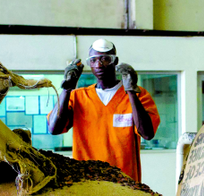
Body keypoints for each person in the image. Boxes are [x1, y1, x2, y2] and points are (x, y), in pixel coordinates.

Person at [47, 39, 160, 183]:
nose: (99, 64)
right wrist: (66, 89)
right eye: (93, 60)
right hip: (86, 182)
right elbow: (54, 128)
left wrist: (131, 91)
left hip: (125, 182)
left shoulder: (138, 95)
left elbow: (147, 133)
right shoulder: (78, 96)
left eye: (105, 59)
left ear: (115, 61)